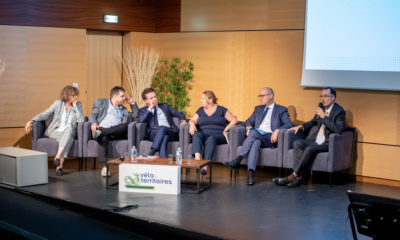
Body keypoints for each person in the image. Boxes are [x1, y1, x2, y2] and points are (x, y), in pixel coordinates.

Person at [273, 87, 345, 187]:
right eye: (321, 96)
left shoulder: (339, 111)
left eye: (326, 96)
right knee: (297, 143)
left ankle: (293, 176)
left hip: (328, 142)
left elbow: (338, 130)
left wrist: (324, 117)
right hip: (317, 140)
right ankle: (299, 178)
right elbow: (313, 121)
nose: (322, 99)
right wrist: (301, 126)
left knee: (309, 148)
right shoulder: (322, 109)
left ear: (333, 98)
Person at [223, 87, 292, 185]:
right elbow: (248, 121)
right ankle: (250, 176)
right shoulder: (258, 109)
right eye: (259, 96)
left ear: (271, 96)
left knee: (254, 133)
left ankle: (238, 160)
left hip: (270, 138)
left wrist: (277, 130)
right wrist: (248, 127)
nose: (260, 98)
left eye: (262, 96)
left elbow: (288, 124)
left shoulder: (281, 109)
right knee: (255, 142)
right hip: (257, 136)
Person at [25, 85, 85, 176]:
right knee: (68, 139)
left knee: (68, 131)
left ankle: (57, 159)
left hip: (69, 131)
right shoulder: (58, 104)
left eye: (77, 95)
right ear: (67, 95)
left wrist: (75, 107)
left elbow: (81, 120)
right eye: (74, 95)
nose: (76, 97)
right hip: (55, 131)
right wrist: (32, 120)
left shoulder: (78, 104)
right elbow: (45, 114)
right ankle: (59, 166)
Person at [89, 86, 138, 177]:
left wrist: (132, 103)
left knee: (125, 125)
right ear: (115, 96)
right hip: (104, 134)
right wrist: (94, 123)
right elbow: (92, 116)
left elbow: (136, 116)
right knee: (103, 137)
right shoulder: (101, 103)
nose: (124, 98)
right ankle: (104, 167)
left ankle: (102, 131)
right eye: (122, 96)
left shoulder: (123, 109)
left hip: (117, 133)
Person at [189, 90, 237, 175]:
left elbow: (234, 120)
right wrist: (192, 124)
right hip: (204, 134)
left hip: (218, 135)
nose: (201, 100)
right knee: (196, 134)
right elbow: (192, 120)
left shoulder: (221, 110)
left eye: (203, 98)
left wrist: (226, 128)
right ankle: (197, 159)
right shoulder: (200, 110)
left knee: (211, 139)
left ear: (210, 100)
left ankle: (205, 166)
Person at [138, 88, 187, 158]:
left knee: (163, 128)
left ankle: (153, 150)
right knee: (164, 138)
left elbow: (179, 114)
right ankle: (163, 162)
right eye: (151, 98)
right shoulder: (143, 110)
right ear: (146, 101)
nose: (154, 99)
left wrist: (183, 120)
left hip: (170, 131)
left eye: (155, 96)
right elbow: (140, 120)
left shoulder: (164, 106)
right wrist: (151, 107)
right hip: (154, 134)